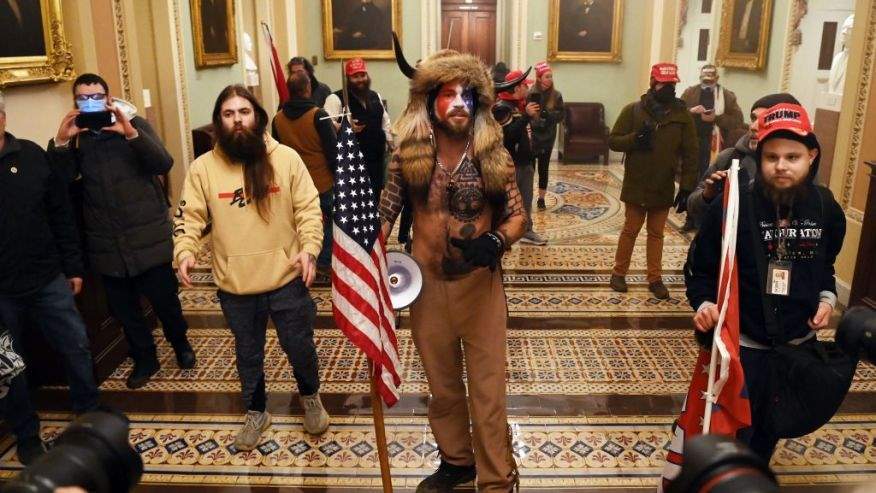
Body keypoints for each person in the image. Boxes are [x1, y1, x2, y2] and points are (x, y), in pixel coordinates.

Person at [384, 40, 527, 492]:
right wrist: (362, 262)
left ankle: (497, 479)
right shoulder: (408, 154)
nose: (459, 102)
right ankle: (457, 462)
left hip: (480, 290)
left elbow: (518, 217)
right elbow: (386, 212)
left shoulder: (493, 155)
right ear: (430, 100)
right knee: (443, 390)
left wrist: (497, 240)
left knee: (487, 393)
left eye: (466, 93)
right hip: (426, 289)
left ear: (478, 101)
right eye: (448, 93)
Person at [686, 102, 846, 461]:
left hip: (796, 348)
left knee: (768, 432)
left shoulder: (825, 208)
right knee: (731, 437)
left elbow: (825, 264)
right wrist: (705, 304)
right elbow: (700, 269)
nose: (781, 166)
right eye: (772, 157)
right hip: (743, 351)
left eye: (793, 157)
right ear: (760, 157)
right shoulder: (732, 205)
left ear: (811, 156)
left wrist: (826, 297)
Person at [174, 85, 329, 449]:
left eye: (244, 112)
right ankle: (257, 411)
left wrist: (309, 249)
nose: (238, 120)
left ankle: (310, 397)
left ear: (257, 116)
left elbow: (309, 210)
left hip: (286, 276)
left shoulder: (286, 159)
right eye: (228, 114)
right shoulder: (202, 169)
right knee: (247, 354)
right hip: (236, 285)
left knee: (299, 346)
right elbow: (188, 217)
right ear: (219, 122)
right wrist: (184, 250)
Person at [48, 73, 194, 390]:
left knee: (165, 301)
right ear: (75, 103)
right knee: (125, 310)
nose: (90, 103)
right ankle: (145, 358)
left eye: (96, 97)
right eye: (83, 98)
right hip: (106, 243)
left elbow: (163, 163)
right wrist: (61, 142)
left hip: (147, 236)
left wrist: (130, 133)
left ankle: (180, 343)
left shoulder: (134, 123)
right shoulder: (77, 138)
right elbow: (60, 182)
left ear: (108, 98)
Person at [0, 91, 100, 465]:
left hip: (47, 279)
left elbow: (60, 214)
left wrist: (73, 267)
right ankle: (26, 434)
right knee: (10, 367)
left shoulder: (30, 155)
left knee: (76, 345)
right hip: (2, 292)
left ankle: (88, 414)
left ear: (3, 118)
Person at [608, 63, 698, 300]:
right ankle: (618, 273)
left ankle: (655, 279)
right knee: (630, 230)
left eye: (672, 84)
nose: (668, 88)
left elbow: (691, 153)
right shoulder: (633, 110)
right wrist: (634, 139)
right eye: (663, 84)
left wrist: (687, 187)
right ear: (652, 83)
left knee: (656, 234)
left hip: (663, 184)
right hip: (636, 183)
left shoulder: (682, 116)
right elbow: (613, 141)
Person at [686, 93, 801, 227]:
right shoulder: (729, 157)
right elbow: (693, 207)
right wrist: (707, 196)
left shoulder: (800, 168)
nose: (753, 126)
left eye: (765, 120)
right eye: (754, 118)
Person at [273, 71, 338, 272]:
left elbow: (275, 153)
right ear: (308, 88)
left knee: (298, 223)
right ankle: (324, 261)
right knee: (326, 223)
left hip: (293, 183)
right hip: (322, 182)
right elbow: (332, 151)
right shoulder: (318, 115)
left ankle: (301, 257)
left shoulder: (277, 119)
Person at [680, 64, 745, 231]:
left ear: (716, 79)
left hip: (716, 144)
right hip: (693, 141)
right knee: (691, 178)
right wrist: (691, 111)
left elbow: (737, 120)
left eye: (711, 80)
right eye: (705, 80)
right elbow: (678, 112)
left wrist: (716, 118)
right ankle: (689, 217)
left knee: (709, 179)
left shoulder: (727, 96)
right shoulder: (690, 92)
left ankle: (708, 219)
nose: (707, 83)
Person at [324, 58, 394, 199]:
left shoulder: (375, 96)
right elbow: (326, 126)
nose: (360, 79)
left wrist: (392, 144)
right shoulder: (335, 98)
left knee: (374, 199)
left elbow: (385, 123)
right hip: (352, 164)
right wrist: (345, 127)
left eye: (363, 75)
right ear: (347, 79)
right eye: (355, 76)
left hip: (376, 162)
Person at [495, 69, 547, 246]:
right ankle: (502, 235)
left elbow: (527, 133)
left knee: (526, 200)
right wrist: (526, 116)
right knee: (508, 203)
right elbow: (508, 136)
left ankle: (526, 231)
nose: (528, 88)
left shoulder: (519, 106)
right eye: (525, 85)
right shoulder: (502, 108)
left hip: (525, 162)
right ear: (517, 88)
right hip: (512, 164)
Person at [528, 61, 565, 210]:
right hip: (532, 137)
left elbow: (561, 115)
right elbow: (527, 115)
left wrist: (548, 115)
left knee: (543, 168)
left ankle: (541, 199)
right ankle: (528, 196)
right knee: (530, 169)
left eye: (551, 76)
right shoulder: (530, 93)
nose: (550, 79)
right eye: (547, 76)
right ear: (539, 78)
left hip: (547, 137)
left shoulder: (556, 95)